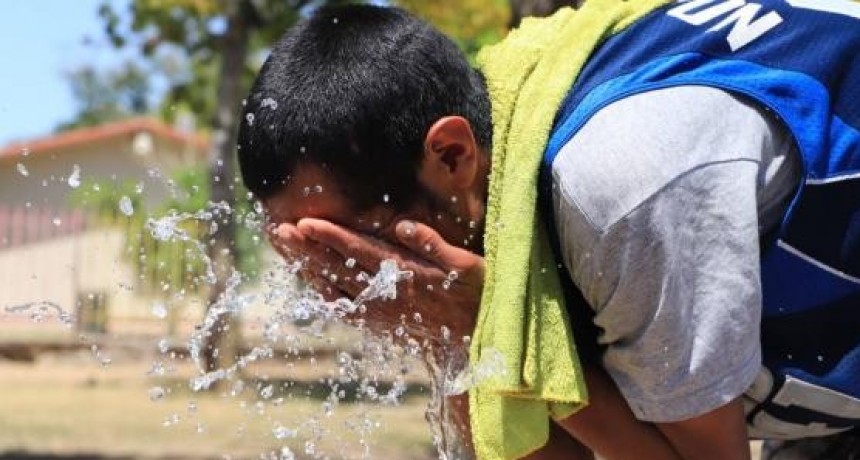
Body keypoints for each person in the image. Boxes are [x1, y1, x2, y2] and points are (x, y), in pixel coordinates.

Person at [236, 1, 860, 459]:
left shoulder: (621, 185)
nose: (343, 280)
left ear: (451, 155)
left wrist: (486, 334)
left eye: (347, 246)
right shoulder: (507, 174)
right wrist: (456, 343)